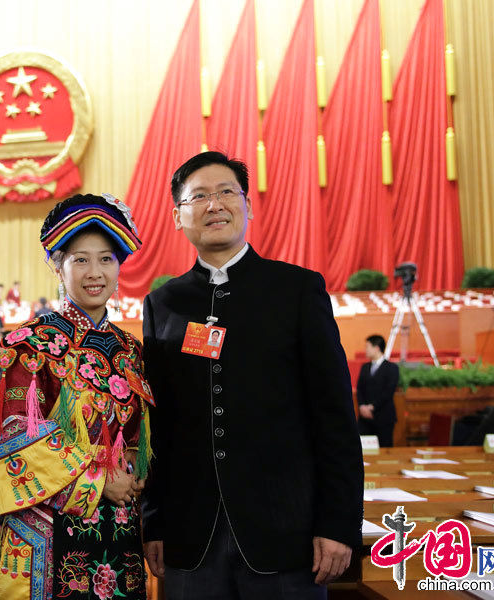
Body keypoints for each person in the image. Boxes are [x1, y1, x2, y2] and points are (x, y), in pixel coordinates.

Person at [140, 151, 363, 600]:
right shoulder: (163, 303)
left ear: (248, 205)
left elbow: (335, 417)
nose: (214, 204)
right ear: (178, 216)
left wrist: (338, 523)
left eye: (226, 192)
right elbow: (159, 428)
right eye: (198, 196)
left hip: (286, 535)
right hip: (190, 537)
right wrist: (154, 519)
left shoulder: (297, 289)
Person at [0, 193, 151, 600]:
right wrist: (98, 483)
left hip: (121, 528)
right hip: (51, 527)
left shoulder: (129, 350)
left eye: (106, 259)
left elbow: (139, 437)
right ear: (58, 266)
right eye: (80, 259)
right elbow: (13, 439)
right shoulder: (34, 344)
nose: (94, 272)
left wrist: (133, 470)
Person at [356, 334, 399, 447]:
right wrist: (362, 406)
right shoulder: (365, 367)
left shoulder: (392, 368)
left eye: (367, 347)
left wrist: (372, 407)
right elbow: (360, 389)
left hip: (383, 416)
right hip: (365, 418)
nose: (365, 350)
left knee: (384, 449)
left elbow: (389, 391)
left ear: (376, 348)